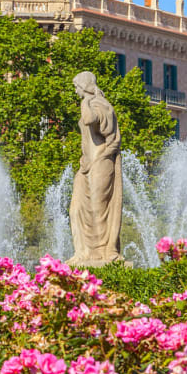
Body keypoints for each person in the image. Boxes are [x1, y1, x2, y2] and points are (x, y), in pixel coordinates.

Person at [67, 71, 123, 265]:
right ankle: (83, 252)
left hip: (102, 160)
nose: (75, 91)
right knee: (76, 208)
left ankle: (104, 253)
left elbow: (91, 120)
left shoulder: (100, 105)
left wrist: (86, 100)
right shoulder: (90, 104)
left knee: (99, 206)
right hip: (87, 164)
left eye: (77, 87)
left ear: (84, 86)